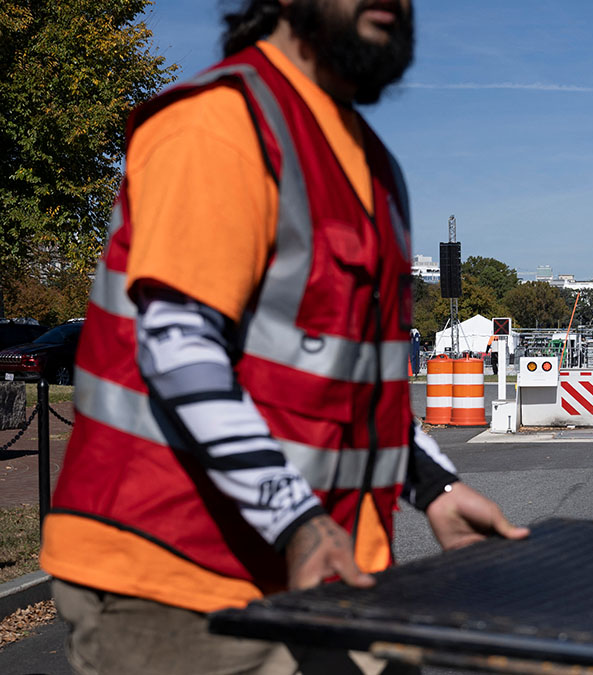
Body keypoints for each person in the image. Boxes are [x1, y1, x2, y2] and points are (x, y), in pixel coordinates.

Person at [40, 1, 529, 673]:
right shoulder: (221, 122)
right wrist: (294, 519)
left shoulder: (372, 166)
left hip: (318, 574)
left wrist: (434, 486)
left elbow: (354, 383)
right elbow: (180, 349)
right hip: (174, 584)